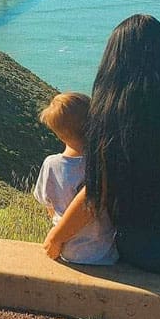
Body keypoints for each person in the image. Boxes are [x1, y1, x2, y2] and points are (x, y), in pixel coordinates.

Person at [42, 14, 160, 273]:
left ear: (115, 64)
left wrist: (55, 238)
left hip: (146, 247)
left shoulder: (111, 114)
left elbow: (96, 195)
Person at [33, 92, 119, 265]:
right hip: (103, 256)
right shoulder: (101, 164)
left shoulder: (51, 164)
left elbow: (48, 205)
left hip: (66, 252)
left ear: (58, 133)